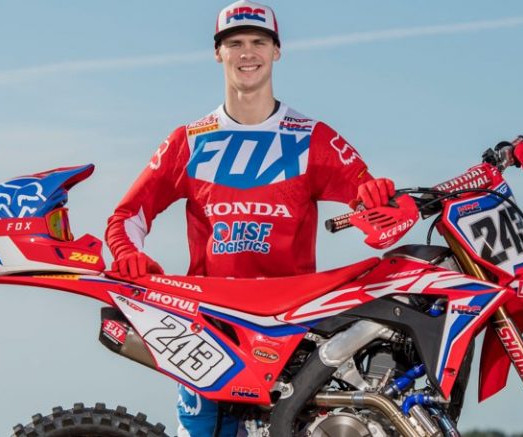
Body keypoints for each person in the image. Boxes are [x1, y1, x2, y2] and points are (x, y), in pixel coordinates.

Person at [105, 1, 395, 435]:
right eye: (235, 43)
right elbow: (128, 214)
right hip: (210, 324)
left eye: (259, 42)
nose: (247, 53)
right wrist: (127, 252)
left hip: (292, 326)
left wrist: (377, 200)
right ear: (217, 52)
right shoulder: (189, 140)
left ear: (276, 51)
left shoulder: (313, 136)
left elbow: (371, 207)